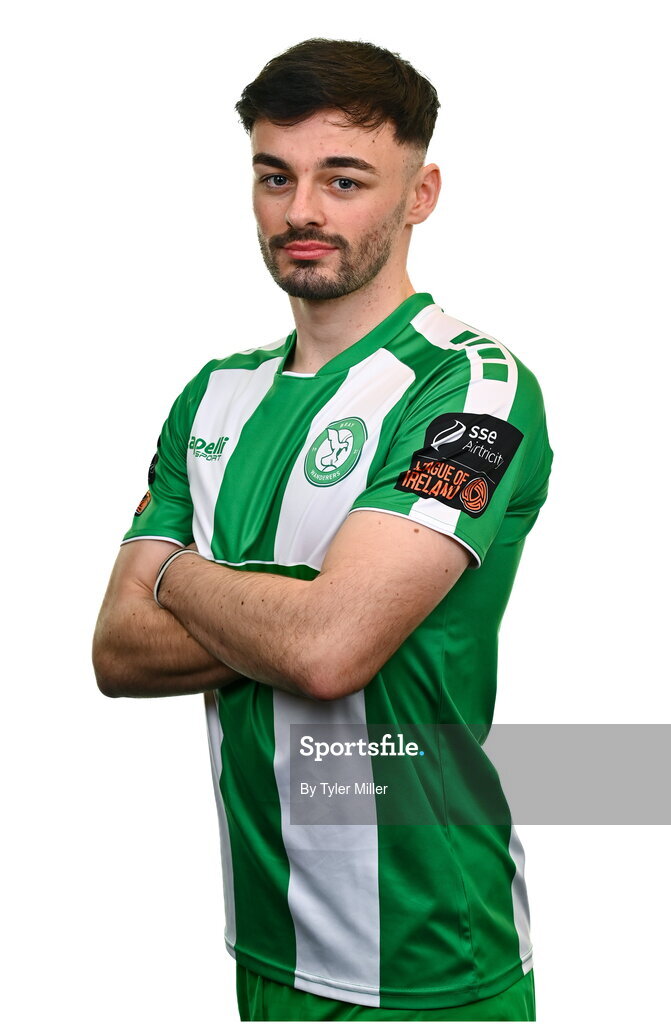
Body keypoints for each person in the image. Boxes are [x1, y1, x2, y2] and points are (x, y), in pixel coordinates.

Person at [93, 38, 551, 1022]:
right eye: (275, 177)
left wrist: (171, 573)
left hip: (430, 960)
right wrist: (303, 601)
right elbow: (117, 652)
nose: (301, 211)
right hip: (264, 943)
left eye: (343, 180)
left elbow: (330, 649)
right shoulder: (211, 397)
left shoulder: (471, 390)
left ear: (420, 195)